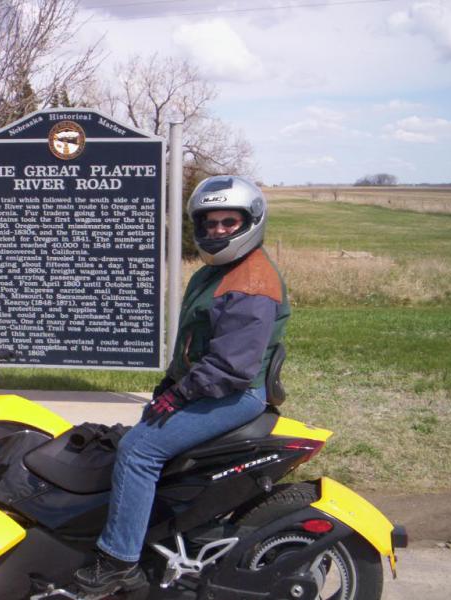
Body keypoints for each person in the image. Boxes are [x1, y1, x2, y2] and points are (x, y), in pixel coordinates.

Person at [74, 175, 291, 595]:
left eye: (229, 222)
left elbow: (231, 366)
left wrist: (179, 394)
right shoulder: (219, 271)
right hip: (212, 386)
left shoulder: (250, 282)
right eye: (209, 223)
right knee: (138, 438)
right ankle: (149, 531)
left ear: (251, 222)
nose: (217, 231)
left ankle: (118, 562)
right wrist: (169, 386)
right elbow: (197, 345)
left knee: (139, 451)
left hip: (234, 393)